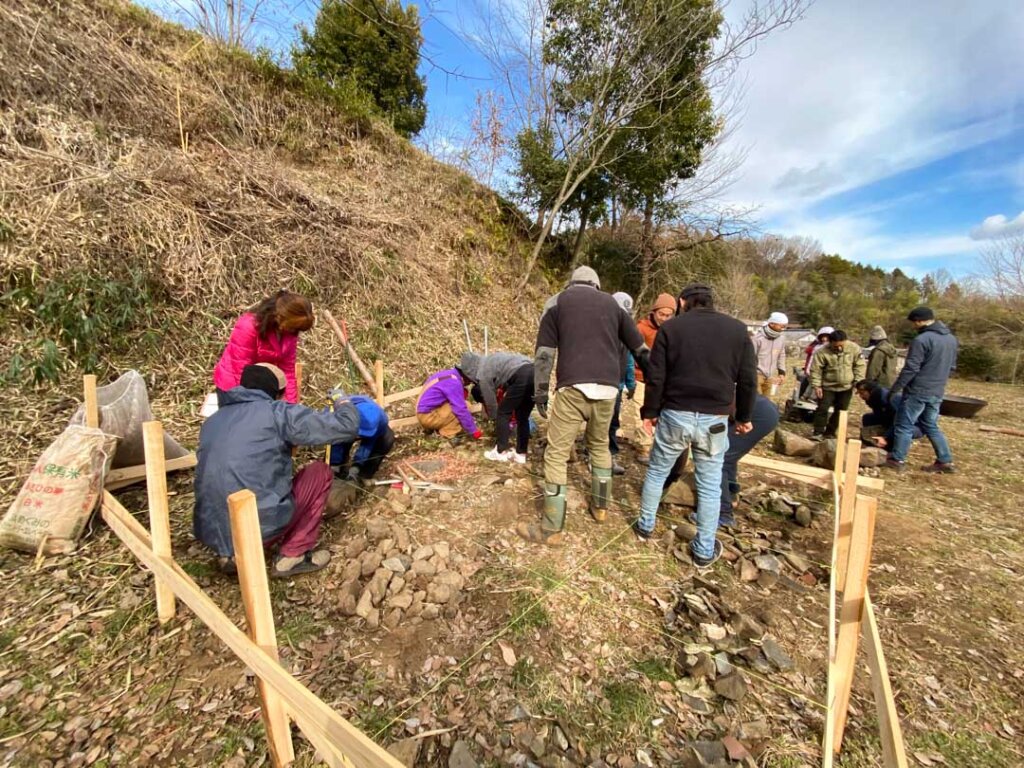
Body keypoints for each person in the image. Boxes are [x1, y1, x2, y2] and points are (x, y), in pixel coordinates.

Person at [518, 266, 648, 545]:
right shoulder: (615, 307)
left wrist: (540, 394)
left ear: (571, 283)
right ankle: (600, 508)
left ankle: (552, 526)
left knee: (556, 452)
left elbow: (544, 356)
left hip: (573, 388)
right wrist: (658, 385)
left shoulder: (557, 302)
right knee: (599, 445)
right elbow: (640, 350)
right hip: (608, 390)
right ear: (597, 286)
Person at [194, 364, 360, 578]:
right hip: (255, 528)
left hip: (213, 532)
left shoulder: (213, 421)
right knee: (319, 472)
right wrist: (342, 400)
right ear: (277, 393)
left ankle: (230, 555)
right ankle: (293, 556)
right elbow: (346, 426)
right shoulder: (277, 413)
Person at [636, 283, 757, 567]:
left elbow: (656, 376)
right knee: (710, 485)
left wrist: (649, 411)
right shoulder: (737, 330)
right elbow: (748, 378)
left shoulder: (671, 329)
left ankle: (645, 526)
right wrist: (744, 417)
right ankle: (703, 550)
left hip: (675, 413)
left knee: (656, 471)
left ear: (682, 301)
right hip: (715, 419)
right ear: (711, 301)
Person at [664, 394, 778, 528]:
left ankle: (723, 514)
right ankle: (730, 494)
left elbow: (684, 444)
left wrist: (672, 476)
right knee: (727, 454)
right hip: (759, 408)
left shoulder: (688, 402)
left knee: (720, 459)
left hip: (756, 413)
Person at [885, 307, 958, 473]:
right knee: (930, 424)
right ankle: (945, 461)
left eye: (914, 323)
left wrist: (895, 388)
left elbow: (911, 368)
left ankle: (897, 459)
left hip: (917, 391)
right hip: (937, 391)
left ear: (919, 321)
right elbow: (952, 367)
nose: (913, 326)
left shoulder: (922, 340)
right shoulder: (952, 340)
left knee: (904, 425)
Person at [213, 291, 314, 405]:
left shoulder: (290, 333)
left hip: (260, 384)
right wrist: (251, 403)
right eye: (293, 327)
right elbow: (241, 370)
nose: (294, 332)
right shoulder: (248, 326)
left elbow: (288, 371)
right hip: (233, 386)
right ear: (279, 317)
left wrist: (291, 405)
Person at [457, 351, 535, 463]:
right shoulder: (491, 360)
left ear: (470, 370)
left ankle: (500, 452)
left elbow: (492, 405)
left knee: (503, 413)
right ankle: (521, 454)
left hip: (521, 375)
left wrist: (495, 422)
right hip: (536, 374)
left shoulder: (482, 373)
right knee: (522, 416)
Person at [630, 293, 678, 461]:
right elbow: (632, 352)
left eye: (668, 315)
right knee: (640, 411)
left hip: (664, 379)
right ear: (654, 311)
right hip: (641, 376)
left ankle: (659, 446)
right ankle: (643, 447)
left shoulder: (674, 330)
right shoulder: (641, 328)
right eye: (661, 314)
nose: (664, 318)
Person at [809, 329, 866, 440]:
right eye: (836, 346)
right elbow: (816, 370)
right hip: (827, 386)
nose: (839, 348)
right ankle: (818, 432)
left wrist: (858, 382)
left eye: (841, 345)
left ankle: (830, 432)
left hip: (846, 386)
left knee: (841, 411)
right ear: (831, 343)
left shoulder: (854, 349)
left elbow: (859, 366)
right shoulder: (822, 352)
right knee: (822, 408)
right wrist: (817, 385)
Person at [328, 391, 395, 481]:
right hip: (348, 424)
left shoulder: (381, 420)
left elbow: (369, 443)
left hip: (374, 428)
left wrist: (357, 465)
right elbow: (336, 437)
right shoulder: (343, 412)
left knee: (387, 440)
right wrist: (334, 463)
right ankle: (338, 468)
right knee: (341, 440)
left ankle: (363, 475)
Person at [609, 292, 638, 475]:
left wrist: (631, 383)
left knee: (612, 422)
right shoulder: (600, 327)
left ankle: (610, 456)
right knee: (596, 422)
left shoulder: (628, 331)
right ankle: (593, 453)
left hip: (617, 385)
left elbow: (628, 359)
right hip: (599, 383)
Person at [415, 366, 483, 441]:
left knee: (463, 405)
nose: (469, 383)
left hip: (423, 411)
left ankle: (440, 426)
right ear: (466, 376)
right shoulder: (454, 383)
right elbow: (461, 409)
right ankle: (449, 435)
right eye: (470, 381)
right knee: (465, 407)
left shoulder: (449, 374)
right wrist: (473, 431)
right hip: (427, 416)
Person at [855, 380, 924, 448]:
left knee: (899, 428)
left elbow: (899, 421)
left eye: (862, 393)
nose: (861, 397)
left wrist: (885, 436)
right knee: (868, 418)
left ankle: (894, 450)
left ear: (871, 391)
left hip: (912, 425)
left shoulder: (892, 399)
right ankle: (872, 442)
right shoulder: (874, 400)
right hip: (893, 420)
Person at [752, 312, 788, 396]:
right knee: (757, 402)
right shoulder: (757, 339)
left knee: (767, 402)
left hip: (770, 377)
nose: (783, 328)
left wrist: (781, 373)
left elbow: (781, 355)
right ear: (772, 324)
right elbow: (750, 358)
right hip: (757, 375)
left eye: (785, 326)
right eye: (781, 326)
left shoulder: (781, 339)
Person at [798, 326, 834, 399]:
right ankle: (807, 397)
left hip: (823, 372)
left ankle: (807, 397)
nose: (824, 339)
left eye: (827, 337)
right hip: (813, 370)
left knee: (814, 385)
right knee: (813, 384)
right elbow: (810, 359)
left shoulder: (832, 347)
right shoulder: (816, 347)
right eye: (823, 337)